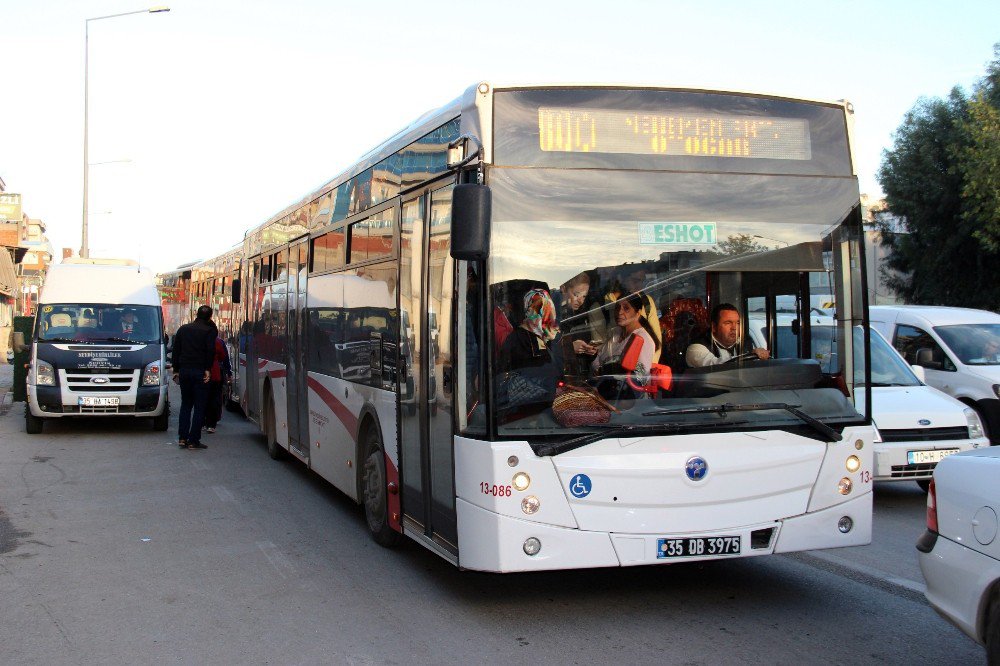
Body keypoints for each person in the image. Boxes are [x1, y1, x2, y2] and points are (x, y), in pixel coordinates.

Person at [496, 288, 563, 415]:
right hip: (524, 412)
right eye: (543, 313)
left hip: (546, 408)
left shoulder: (548, 337)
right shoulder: (517, 339)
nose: (547, 320)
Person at [591, 292, 660, 396]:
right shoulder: (615, 333)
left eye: (626, 308)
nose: (619, 312)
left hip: (628, 401)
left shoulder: (643, 339)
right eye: (617, 308)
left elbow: (641, 379)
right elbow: (598, 360)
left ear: (638, 313)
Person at [171, 305, 218, 449]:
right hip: (200, 372)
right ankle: (193, 440)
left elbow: (176, 350)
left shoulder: (183, 329)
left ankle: (182, 438)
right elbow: (210, 351)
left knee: (186, 405)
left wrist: (176, 370)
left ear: (196, 314)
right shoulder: (209, 331)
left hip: (184, 370)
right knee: (199, 407)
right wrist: (207, 369)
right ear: (210, 317)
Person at [602, 265, 662, 363]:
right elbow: (601, 341)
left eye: (642, 281)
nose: (640, 286)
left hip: (641, 362)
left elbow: (656, 336)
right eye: (635, 281)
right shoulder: (607, 301)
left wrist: (651, 365)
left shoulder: (646, 301)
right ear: (622, 279)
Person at [685, 303, 770, 368]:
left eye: (737, 323)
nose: (734, 328)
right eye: (728, 323)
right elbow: (715, 366)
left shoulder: (745, 343)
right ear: (714, 327)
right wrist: (750, 356)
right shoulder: (695, 348)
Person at [557, 272, 603, 380]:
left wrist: (590, 352)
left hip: (578, 378)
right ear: (563, 289)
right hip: (559, 380)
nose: (580, 300)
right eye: (576, 294)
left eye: (584, 296)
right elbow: (544, 352)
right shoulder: (552, 316)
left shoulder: (581, 316)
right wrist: (570, 348)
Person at [203, 334, 233, 434]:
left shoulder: (199, 340)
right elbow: (224, 357)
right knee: (214, 397)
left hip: (201, 372)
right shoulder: (218, 342)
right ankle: (211, 423)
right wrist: (229, 372)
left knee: (203, 398)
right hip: (215, 373)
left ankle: (203, 420)